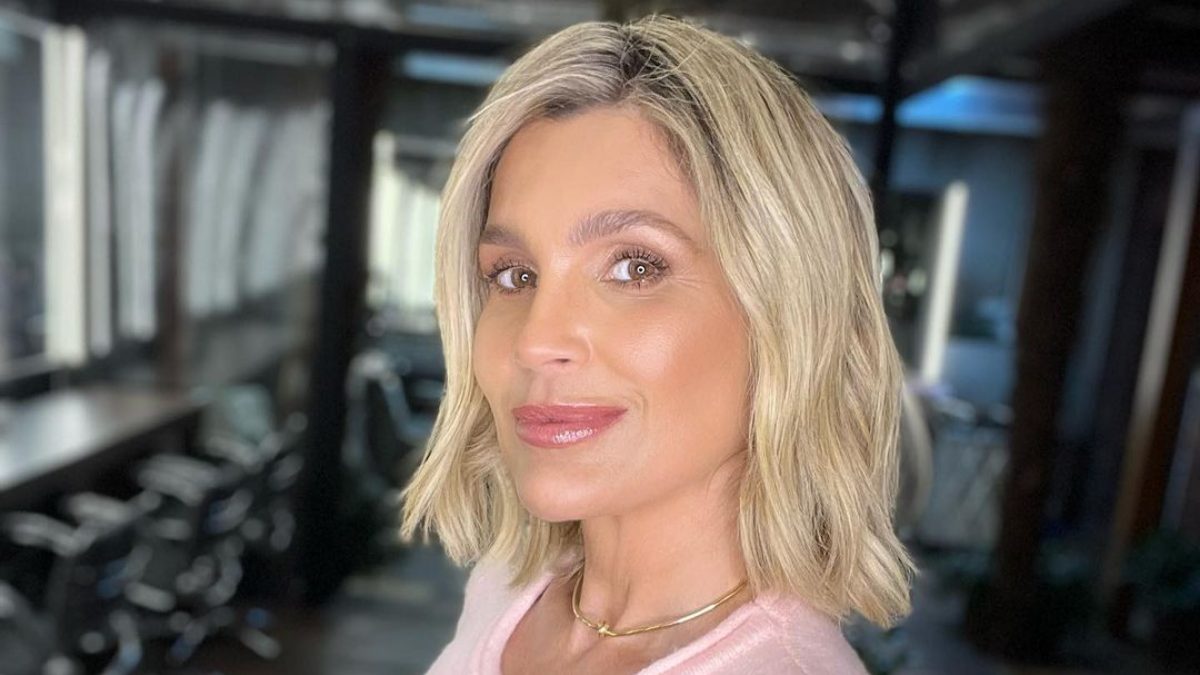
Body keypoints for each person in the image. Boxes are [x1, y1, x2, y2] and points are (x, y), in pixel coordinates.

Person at [401, 14, 915, 674]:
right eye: (514, 275)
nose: (535, 340)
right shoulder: (504, 591)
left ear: (788, 310)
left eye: (635, 267)